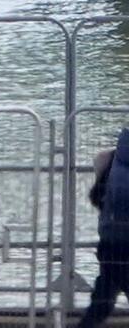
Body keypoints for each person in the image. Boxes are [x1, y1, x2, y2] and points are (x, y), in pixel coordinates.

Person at [82, 128, 129, 328]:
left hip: (111, 243)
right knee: (102, 302)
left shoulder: (110, 158)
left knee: (102, 303)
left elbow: (95, 196)